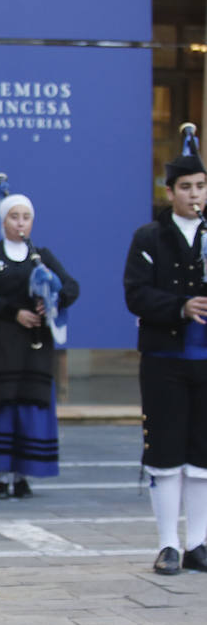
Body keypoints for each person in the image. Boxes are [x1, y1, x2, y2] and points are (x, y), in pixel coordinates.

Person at [124, 127, 207, 575]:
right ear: (170, 190)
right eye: (186, 187)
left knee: (202, 454)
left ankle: (198, 541)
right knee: (166, 451)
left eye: (201, 186)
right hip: (163, 360)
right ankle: (168, 543)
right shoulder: (149, 237)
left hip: (205, 362)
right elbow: (135, 294)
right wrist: (181, 306)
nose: (195, 195)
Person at [0, 182, 79, 499]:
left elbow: (71, 287)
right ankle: (1, 477)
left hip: (32, 346)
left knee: (29, 405)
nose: (20, 222)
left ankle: (23, 475)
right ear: (3, 220)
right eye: (14, 216)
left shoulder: (42, 257)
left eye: (26, 217)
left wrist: (50, 301)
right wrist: (15, 312)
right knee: (1, 407)